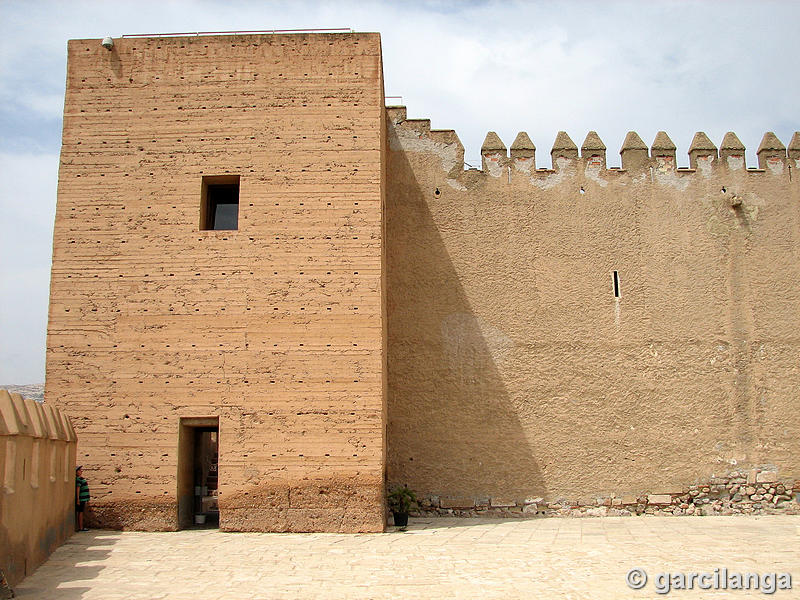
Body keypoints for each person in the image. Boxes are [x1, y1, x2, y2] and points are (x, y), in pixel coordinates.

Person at [75, 466, 90, 531]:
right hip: (81, 499)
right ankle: (80, 527)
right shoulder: (78, 480)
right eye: (80, 470)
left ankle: (80, 527)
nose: (81, 471)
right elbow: (78, 489)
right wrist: (78, 499)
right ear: (76, 472)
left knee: (81, 512)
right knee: (80, 512)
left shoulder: (80, 479)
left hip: (83, 499)